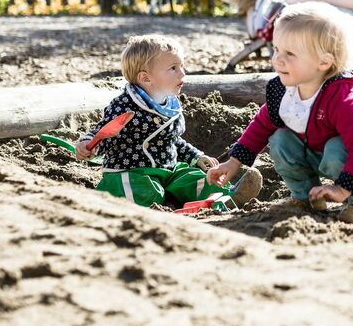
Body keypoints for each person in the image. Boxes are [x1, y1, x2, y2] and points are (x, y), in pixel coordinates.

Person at [207, 3, 353, 224]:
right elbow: (262, 124)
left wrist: (343, 189)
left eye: (290, 53)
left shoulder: (345, 99)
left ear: (324, 62)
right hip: (322, 147)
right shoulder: (285, 90)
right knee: (280, 141)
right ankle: (306, 197)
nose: (277, 59)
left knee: (336, 151)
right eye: (277, 49)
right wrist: (233, 162)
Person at [75, 34, 263, 208]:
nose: (182, 73)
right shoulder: (125, 105)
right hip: (132, 170)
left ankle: (226, 196)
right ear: (145, 78)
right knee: (143, 190)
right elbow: (105, 131)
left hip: (169, 169)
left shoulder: (170, 104)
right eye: (173, 68)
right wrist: (89, 145)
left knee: (195, 177)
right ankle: (158, 205)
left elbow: (173, 140)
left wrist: (196, 156)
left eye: (181, 66)